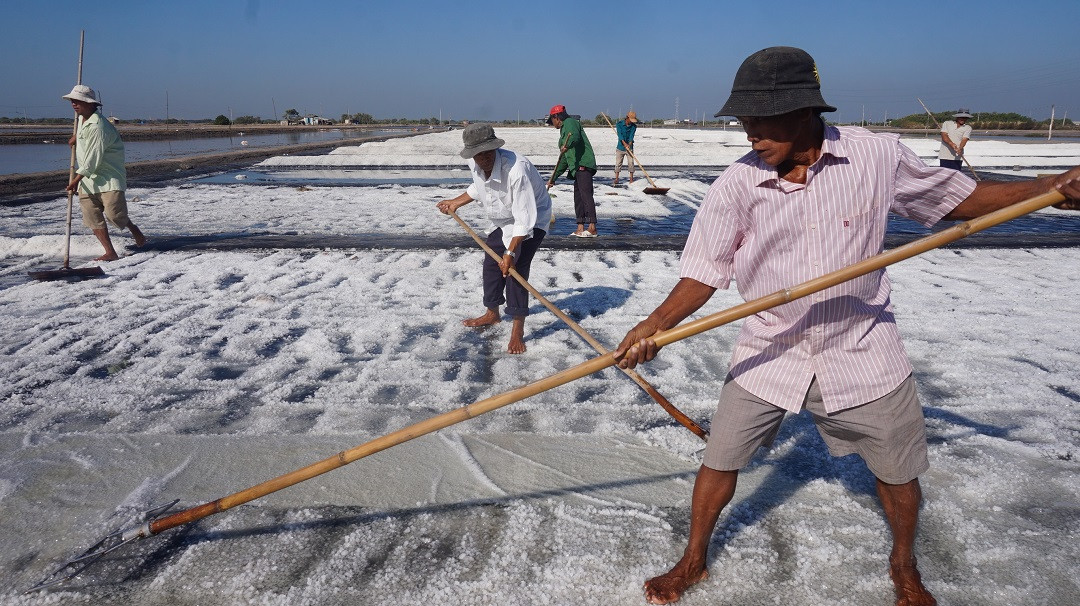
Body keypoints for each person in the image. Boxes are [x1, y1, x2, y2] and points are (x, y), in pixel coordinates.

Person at [613, 47, 1080, 606]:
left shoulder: (875, 156)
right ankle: (693, 559)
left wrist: (1051, 187)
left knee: (897, 470)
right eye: (744, 121)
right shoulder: (736, 185)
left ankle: (904, 565)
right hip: (772, 343)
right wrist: (654, 325)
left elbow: (956, 200)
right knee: (721, 457)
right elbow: (703, 273)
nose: (751, 134)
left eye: (764, 119)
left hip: (860, 344)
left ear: (806, 110)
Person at [437, 123, 552, 354]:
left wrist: (509, 253)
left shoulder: (516, 170)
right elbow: (479, 186)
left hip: (532, 218)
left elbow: (523, 219)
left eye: (489, 151)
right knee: (491, 265)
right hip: (503, 219)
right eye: (479, 154)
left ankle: (517, 329)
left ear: (496, 147)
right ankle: (492, 313)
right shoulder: (475, 161)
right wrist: (456, 202)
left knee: (515, 269)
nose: (484, 158)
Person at [62, 84, 146, 261]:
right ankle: (110, 252)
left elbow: (92, 159)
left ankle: (132, 227)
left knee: (115, 216)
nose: (74, 104)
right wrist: (77, 136)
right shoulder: (83, 122)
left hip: (108, 178)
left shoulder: (100, 126)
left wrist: (75, 180)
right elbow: (86, 136)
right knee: (93, 217)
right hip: (88, 180)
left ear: (91, 104)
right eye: (73, 101)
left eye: (78, 101)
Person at [546, 104, 598, 237]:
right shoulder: (562, 135)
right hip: (576, 168)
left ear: (556, 117)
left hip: (583, 164)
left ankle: (592, 227)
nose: (552, 124)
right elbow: (564, 160)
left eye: (552, 120)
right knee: (578, 198)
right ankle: (580, 227)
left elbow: (574, 137)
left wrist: (566, 145)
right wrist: (554, 178)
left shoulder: (570, 122)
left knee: (586, 195)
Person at [614, 111, 639, 185]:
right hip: (620, 147)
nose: (631, 122)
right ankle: (616, 178)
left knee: (631, 162)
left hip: (629, 147)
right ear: (627, 118)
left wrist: (629, 144)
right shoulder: (619, 124)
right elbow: (620, 136)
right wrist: (624, 144)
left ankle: (631, 179)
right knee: (618, 163)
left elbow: (631, 136)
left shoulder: (634, 126)